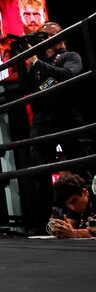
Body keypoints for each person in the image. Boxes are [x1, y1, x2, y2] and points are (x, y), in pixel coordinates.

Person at [19, 21, 90, 232]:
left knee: (82, 168)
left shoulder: (70, 56)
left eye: (51, 35)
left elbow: (68, 75)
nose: (47, 38)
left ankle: (90, 216)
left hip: (67, 115)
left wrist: (37, 63)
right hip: (42, 120)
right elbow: (27, 88)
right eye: (43, 36)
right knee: (40, 173)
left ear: (61, 37)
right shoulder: (38, 62)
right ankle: (41, 224)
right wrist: (26, 59)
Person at [48, 174, 94, 238]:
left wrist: (75, 233)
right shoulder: (72, 203)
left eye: (73, 201)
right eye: (67, 204)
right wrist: (60, 228)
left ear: (84, 192)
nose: (72, 207)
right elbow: (71, 226)